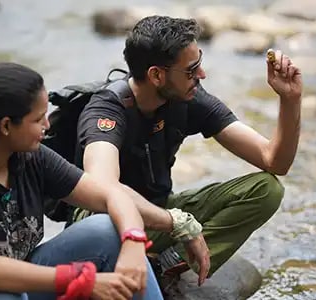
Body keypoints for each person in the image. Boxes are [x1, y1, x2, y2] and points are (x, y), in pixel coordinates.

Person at [69, 15, 303, 287]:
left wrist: (290, 99)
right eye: (191, 70)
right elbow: (102, 187)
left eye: (199, 63)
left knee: (266, 189)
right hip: (106, 222)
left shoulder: (188, 99)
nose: (201, 75)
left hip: (160, 213)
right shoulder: (106, 111)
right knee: (108, 217)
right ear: (156, 75)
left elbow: (274, 161)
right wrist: (178, 223)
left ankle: (167, 265)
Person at [0, 62, 164, 300]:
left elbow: (112, 195)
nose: (46, 126)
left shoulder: (31, 157)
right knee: (3, 293)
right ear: (5, 126)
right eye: (37, 119)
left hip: (19, 284)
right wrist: (76, 278)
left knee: (106, 229)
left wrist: (133, 241)